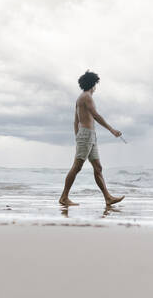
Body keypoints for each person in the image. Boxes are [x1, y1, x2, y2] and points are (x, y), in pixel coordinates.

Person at [59, 70, 125, 206]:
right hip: (86, 135)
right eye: (95, 84)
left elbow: (75, 121)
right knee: (77, 166)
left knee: (98, 167)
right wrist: (112, 130)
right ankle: (64, 197)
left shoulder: (81, 98)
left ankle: (108, 198)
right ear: (92, 84)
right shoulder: (86, 97)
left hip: (88, 135)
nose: (96, 87)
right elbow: (95, 115)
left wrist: (77, 136)